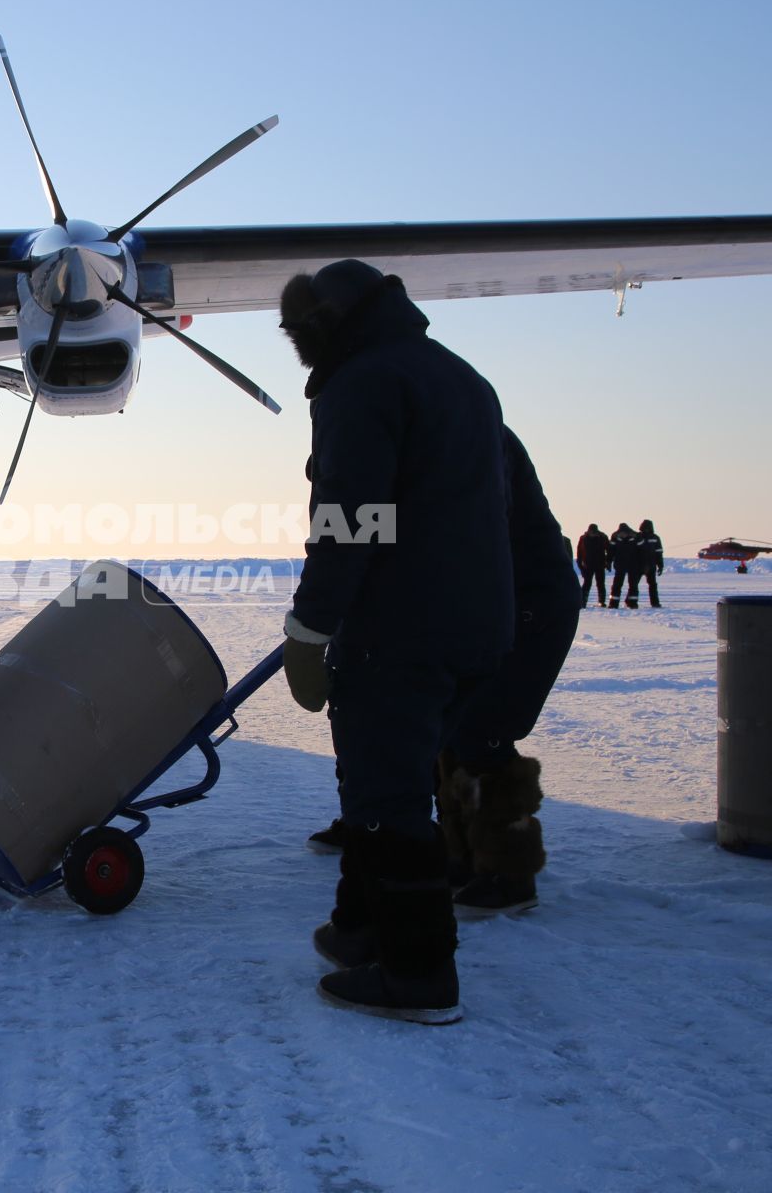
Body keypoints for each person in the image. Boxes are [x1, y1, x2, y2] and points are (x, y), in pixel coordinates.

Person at [279, 260, 513, 1026]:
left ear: (323, 327)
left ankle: (418, 975)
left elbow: (351, 518)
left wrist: (311, 626)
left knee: (388, 797)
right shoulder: (457, 375)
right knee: (386, 780)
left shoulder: (364, 382)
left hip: (401, 625)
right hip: (473, 622)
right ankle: (363, 929)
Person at [437, 428, 580, 917]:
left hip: (526, 597)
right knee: (452, 726)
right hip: (475, 598)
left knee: (484, 727)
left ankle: (509, 871)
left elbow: (474, 520)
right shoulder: (417, 426)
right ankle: (463, 856)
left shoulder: (469, 428)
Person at [575, 522, 610, 608]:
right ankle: (582, 601)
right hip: (588, 565)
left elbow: (609, 550)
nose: (593, 534)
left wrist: (608, 563)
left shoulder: (603, 537)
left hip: (600, 565)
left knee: (601, 583)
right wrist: (581, 567)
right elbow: (579, 553)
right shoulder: (583, 538)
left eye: (595, 532)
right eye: (592, 532)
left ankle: (601, 601)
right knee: (587, 584)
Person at [631, 518, 664, 608]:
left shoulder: (655, 538)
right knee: (634, 584)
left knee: (652, 585)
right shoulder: (637, 537)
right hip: (638, 565)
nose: (646, 529)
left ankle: (655, 603)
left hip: (651, 565)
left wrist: (660, 565)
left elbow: (659, 552)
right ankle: (631, 601)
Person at [607, 521, 639, 609]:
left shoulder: (636, 537)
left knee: (633, 584)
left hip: (633, 564)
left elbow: (641, 552)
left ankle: (632, 603)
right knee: (617, 584)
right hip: (620, 564)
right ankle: (613, 603)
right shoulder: (615, 537)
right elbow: (610, 551)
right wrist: (608, 562)